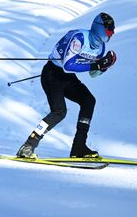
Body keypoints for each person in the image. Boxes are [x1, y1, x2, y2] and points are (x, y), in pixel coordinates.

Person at [16, 12, 117, 158]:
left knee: (89, 101)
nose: (111, 33)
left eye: (112, 30)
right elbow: (68, 65)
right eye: (109, 30)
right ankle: (28, 145)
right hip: (52, 74)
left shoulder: (100, 48)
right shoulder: (80, 38)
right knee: (59, 112)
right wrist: (97, 64)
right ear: (100, 28)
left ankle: (79, 147)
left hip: (67, 78)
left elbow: (93, 74)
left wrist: (105, 66)